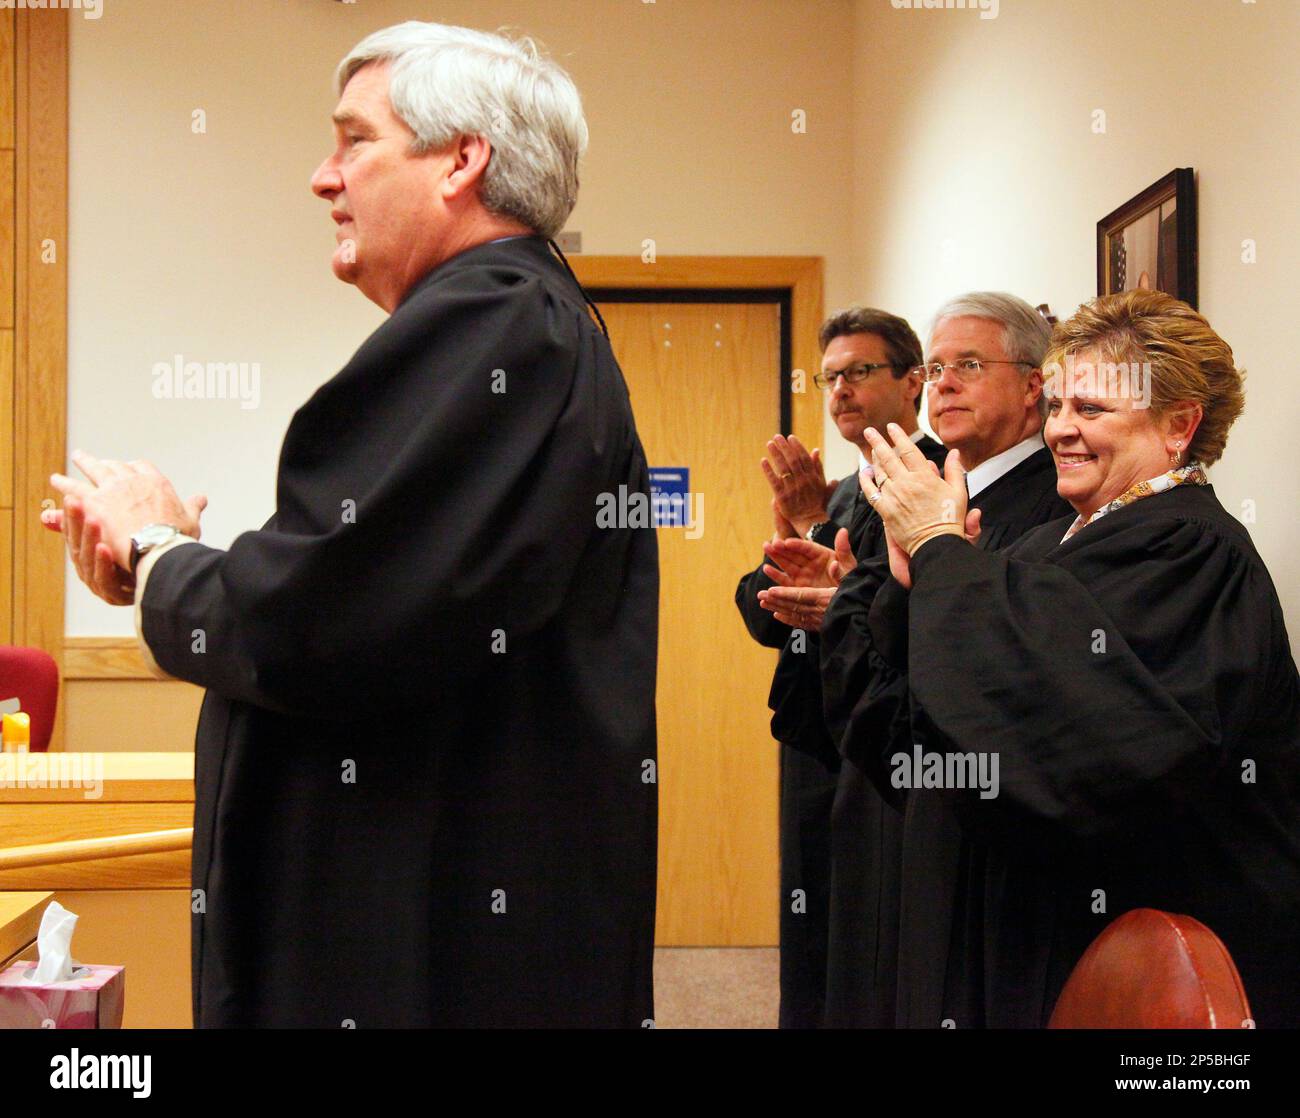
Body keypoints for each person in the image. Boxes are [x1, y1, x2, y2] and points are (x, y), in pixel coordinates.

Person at [43, 22, 659, 1028]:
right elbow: (371, 587)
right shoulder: (519, 323)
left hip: (422, 944)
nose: (322, 176)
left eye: (355, 139)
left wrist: (161, 554)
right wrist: (170, 568)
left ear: (461, 161)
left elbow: (323, 622)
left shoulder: (500, 318)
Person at [857, 288, 1300, 1027]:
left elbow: (1082, 737)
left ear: (1179, 425)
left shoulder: (1191, 551)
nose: (1061, 428)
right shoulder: (1049, 540)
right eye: (1058, 404)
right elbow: (940, 723)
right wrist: (921, 581)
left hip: (1142, 948)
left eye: (1091, 409)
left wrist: (944, 554)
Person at [816, 291, 1071, 1027]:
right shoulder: (931, 486)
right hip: (893, 773)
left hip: (966, 801)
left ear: (1033, 386)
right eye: (936, 368)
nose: (945, 383)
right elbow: (867, 623)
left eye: (970, 365)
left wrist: (865, 606)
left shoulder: (1054, 499)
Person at [734, 307, 940, 1027]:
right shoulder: (842, 491)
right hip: (813, 741)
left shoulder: (935, 480)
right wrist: (801, 527)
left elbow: (882, 613)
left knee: (861, 944)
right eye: (830, 377)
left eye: (860, 371)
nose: (841, 390)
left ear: (913, 381)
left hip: (879, 746)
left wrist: (813, 531)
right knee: (811, 933)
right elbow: (765, 610)